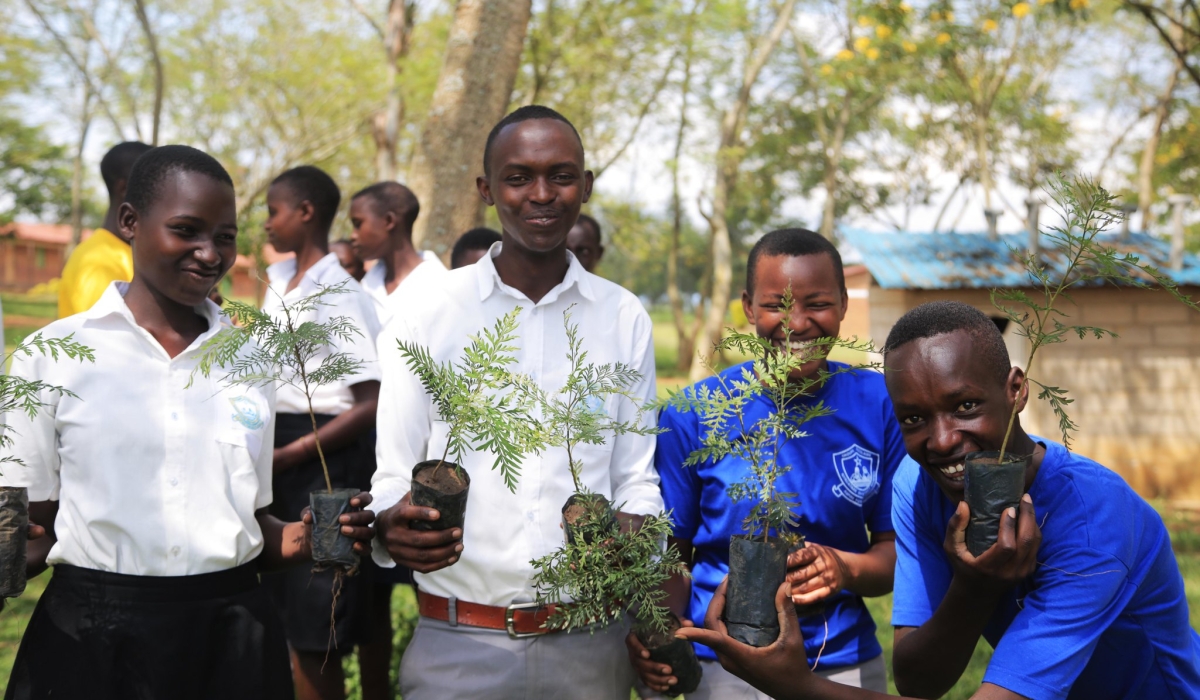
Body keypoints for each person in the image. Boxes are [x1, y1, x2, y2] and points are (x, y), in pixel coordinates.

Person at [676, 300, 1200, 699]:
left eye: (967, 405)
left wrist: (799, 685)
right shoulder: (918, 484)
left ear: (1016, 390)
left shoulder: (1093, 520)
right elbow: (921, 679)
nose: (943, 440)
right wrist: (974, 587)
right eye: (914, 419)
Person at [2, 145, 376, 700]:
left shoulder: (251, 363)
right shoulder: (51, 356)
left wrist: (311, 536)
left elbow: (251, 525)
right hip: (92, 639)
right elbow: (30, 534)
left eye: (224, 237)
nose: (208, 253)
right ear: (130, 222)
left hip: (231, 639)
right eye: (186, 230)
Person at [367, 105, 661, 700]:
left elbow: (636, 478)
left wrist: (634, 532)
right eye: (519, 177)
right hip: (459, 642)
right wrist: (388, 528)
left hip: (590, 640)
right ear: (486, 190)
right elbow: (393, 475)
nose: (542, 194)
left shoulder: (621, 314)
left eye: (561, 175)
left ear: (586, 186)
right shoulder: (427, 313)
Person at [637, 229, 903, 698]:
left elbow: (895, 554)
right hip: (724, 664)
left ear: (843, 303)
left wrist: (842, 568)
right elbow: (673, 556)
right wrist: (667, 637)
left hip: (840, 663)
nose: (796, 323)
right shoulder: (696, 412)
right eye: (775, 305)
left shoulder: (879, 403)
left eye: (817, 303)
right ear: (748, 306)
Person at [262, 166, 382, 700]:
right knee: (282, 615)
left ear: (305, 212)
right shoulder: (279, 284)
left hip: (326, 462)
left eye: (273, 210)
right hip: (277, 456)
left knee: (319, 625)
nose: (266, 224)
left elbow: (372, 400)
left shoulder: (337, 292)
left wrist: (291, 454)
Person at [57, 141, 152, 318]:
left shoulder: (130, 254)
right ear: (125, 189)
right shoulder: (99, 262)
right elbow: (108, 339)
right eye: (155, 183)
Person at [348, 181, 446, 330]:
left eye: (358, 224)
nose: (353, 235)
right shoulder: (366, 286)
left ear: (389, 221)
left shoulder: (440, 286)